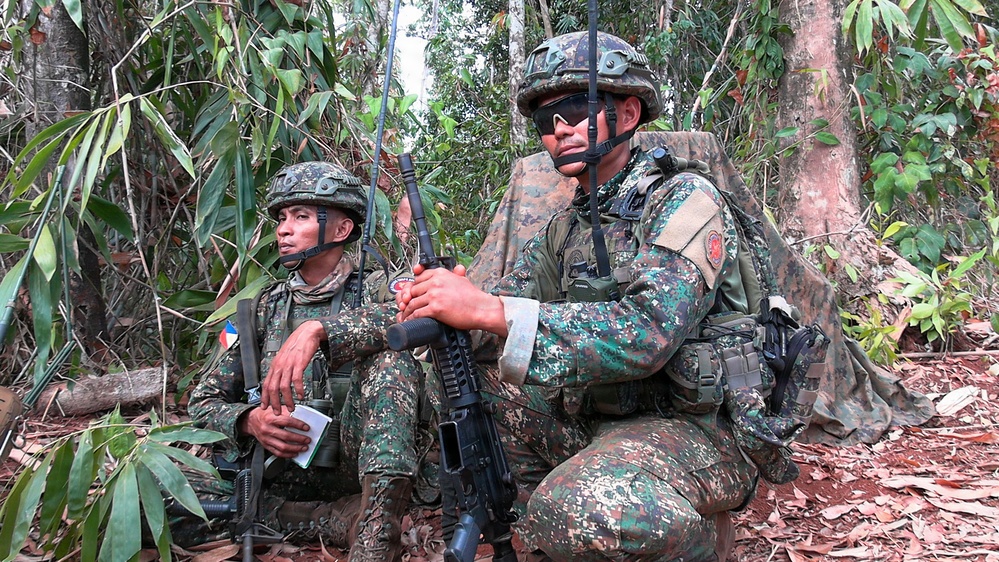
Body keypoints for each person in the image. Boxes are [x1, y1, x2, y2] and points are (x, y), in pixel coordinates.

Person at [396, 32, 757, 561]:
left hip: (698, 431)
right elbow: (505, 311)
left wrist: (489, 309)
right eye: (546, 121)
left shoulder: (687, 202)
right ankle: (558, 514)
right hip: (598, 421)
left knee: (573, 510)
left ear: (628, 113)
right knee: (462, 374)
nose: (560, 129)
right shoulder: (563, 230)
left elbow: (648, 335)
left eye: (575, 110)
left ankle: (700, 538)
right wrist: (450, 304)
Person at [183, 161, 424, 562]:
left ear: (342, 230)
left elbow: (415, 318)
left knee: (392, 364)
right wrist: (249, 421)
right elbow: (202, 402)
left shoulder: (381, 287)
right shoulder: (260, 310)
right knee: (153, 487)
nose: (283, 229)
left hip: (358, 461)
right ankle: (327, 519)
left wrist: (320, 329)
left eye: (301, 216)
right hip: (282, 468)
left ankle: (375, 536)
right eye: (281, 218)